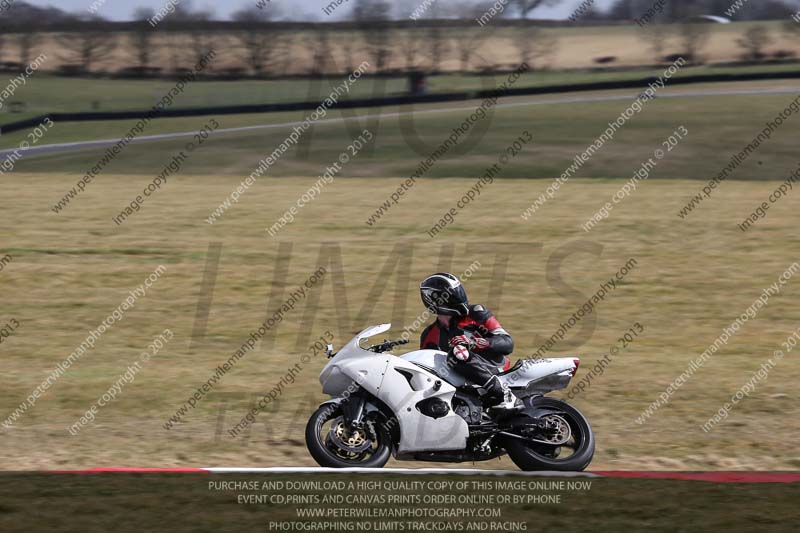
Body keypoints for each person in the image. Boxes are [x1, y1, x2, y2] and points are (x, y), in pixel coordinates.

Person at [418, 272, 517, 410]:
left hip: (496, 370)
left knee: (457, 353)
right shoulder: (429, 335)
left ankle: (504, 394)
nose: (459, 298)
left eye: (458, 292)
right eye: (452, 295)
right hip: (460, 383)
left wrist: (474, 343)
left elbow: (507, 343)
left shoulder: (477, 313)